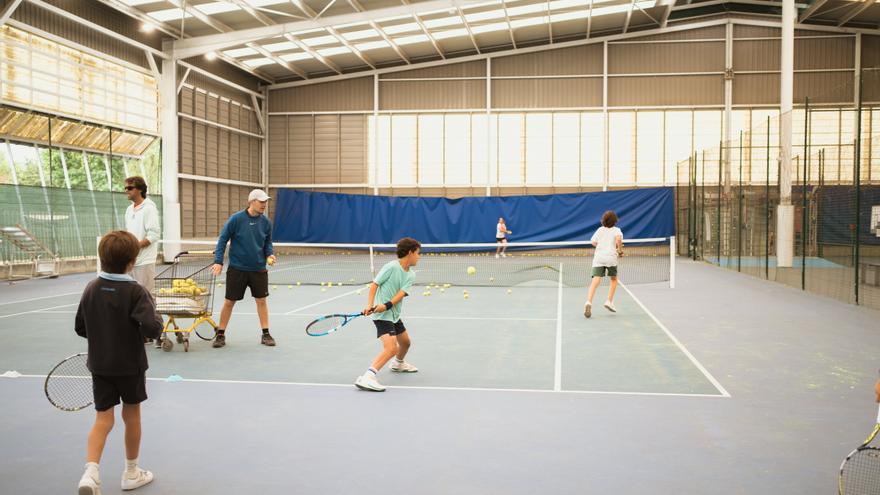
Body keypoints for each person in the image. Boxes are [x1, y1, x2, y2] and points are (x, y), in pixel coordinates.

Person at [75, 230, 163, 494]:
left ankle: (90, 474)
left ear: (102, 258)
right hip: (130, 366)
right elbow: (152, 329)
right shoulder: (136, 291)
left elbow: (81, 327)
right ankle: (132, 473)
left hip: (100, 365)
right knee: (131, 414)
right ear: (132, 262)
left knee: (103, 419)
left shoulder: (91, 288)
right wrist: (154, 320)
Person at [210, 189, 277, 348]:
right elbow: (222, 240)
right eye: (261, 202)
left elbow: (267, 242)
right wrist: (218, 261)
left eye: (265, 202)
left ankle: (266, 333)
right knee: (229, 302)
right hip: (237, 269)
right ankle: (220, 334)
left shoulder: (266, 223)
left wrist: (270, 254)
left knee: (261, 301)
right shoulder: (236, 219)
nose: (264, 205)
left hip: (258, 269)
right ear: (251, 201)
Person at [355, 237, 421, 392]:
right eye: (418, 253)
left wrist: (386, 305)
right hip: (382, 316)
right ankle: (368, 377)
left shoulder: (411, 275)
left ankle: (398, 364)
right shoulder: (391, 267)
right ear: (410, 252)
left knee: (405, 343)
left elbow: (401, 293)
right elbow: (374, 285)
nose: (419, 257)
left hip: (392, 314)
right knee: (391, 348)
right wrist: (370, 305)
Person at [123, 176, 162, 344]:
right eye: (126, 188)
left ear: (139, 189)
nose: (127, 191)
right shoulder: (129, 210)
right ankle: (140, 332)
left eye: (130, 188)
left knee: (147, 297)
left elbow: (153, 234)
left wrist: (135, 246)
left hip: (145, 261)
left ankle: (156, 331)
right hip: (130, 261)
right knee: (131, 298)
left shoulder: (149, 209)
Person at [584, 210, 623, 318]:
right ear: (615, 221)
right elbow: (619, 239)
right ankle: (609, 301)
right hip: (611, 257)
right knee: (614, 279)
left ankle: (588, 302)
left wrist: (600, 246)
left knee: (595, 280)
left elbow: (593, 242)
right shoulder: (617, 230)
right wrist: (620, 251)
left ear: (604, 220)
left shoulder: (600, 230)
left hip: (599, 258)